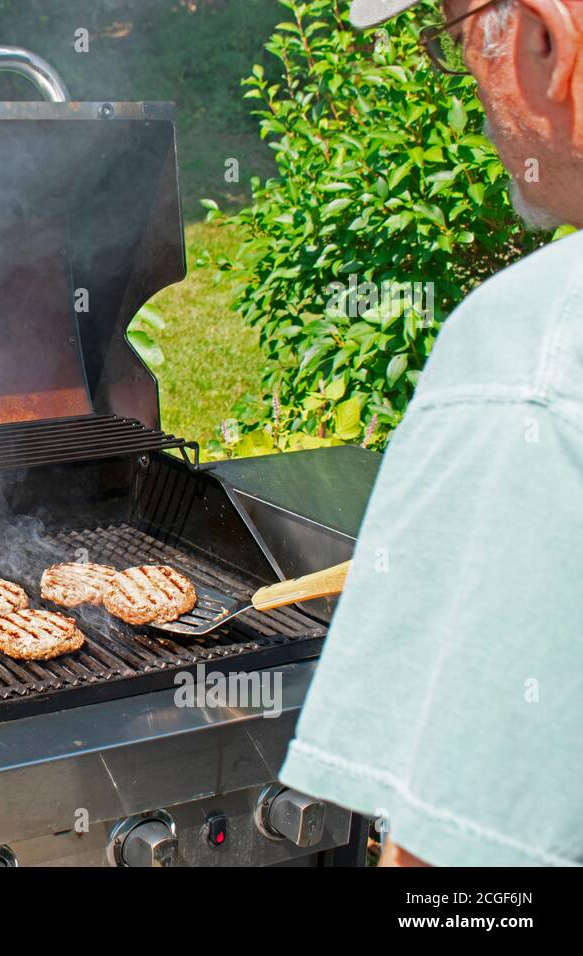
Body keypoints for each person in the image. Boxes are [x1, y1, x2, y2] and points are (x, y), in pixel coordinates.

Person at [278, 0, 583, 866]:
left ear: (542, 37)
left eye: (457, 41)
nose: (471, 91)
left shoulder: (537, 353)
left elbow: (470, 879)